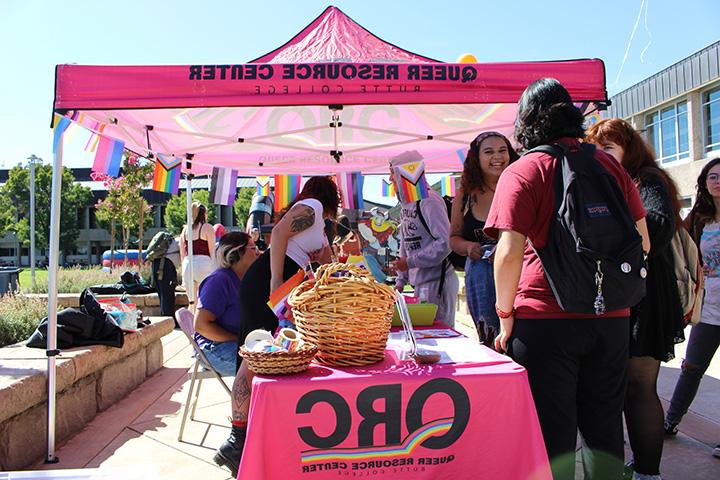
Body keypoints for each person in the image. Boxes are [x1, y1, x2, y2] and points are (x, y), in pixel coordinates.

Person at [484, 78, 650, 480]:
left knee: (552, 436)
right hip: (611, 316)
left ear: (525, 121)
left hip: (545, 320)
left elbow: (507, 255)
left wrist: (505, 315)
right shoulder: (608, 164)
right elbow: (642, 241)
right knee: (605, 430)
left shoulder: (524, 169)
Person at [216, 177, 339, 477]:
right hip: (270, 284)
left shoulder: (317, 223)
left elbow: (326, 261)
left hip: (281, 283)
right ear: (329, 196)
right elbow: (280, 232)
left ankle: (243, 437)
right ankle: (235, 442)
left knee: (263, 356)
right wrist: (275, 281)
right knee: (253, 357)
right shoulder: (312, 206)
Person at [586, 118, 685, 480]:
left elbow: (657, 226)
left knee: (640, 386)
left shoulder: (646, 178)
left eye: (608, 148)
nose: (601, 156)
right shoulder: (607, 183)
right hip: (622, 295)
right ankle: (640, 465)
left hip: (648, 295)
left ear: (630, 149)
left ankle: (648, 472)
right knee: (626, 387)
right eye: (596, 150)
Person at [664, 157, 720, 460]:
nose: (717, 181)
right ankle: (671, 421)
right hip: (709, 308)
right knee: (692, 368)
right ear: (704, 183)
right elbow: (680, 246)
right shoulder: (698, 217)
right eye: (712, 176)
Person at [450, 131, 518, 344]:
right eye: (489, 152)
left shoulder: (521, 185)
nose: (497, 157)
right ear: (476, 159)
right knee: (492, 339)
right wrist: (470, 247)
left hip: (517, 273)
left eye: (502, 150)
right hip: (482, 276)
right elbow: (453, 238)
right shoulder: (465, 194)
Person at [390, 151, 459, 327]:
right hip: (421, 284)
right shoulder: (407, 204)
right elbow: (406, 243)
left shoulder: (430, 201)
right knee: (424, 334)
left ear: (404, 173)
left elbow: (445, 243)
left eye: (392, 172)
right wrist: (400, 281)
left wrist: (410, 262)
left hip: (438, 283)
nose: (390, 179)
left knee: (438, 334)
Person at [193, 232, 259, 376]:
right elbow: (201, 325)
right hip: (214, 348)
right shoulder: (219, 281)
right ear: (237, 253)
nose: (258, 252)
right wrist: (237, 338)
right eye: (253, 248)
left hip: (236, 344)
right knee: (263, 368)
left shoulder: (246, 279)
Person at [179, 202, 216, 310]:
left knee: (191, 301)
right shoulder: (207, 228)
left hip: (187, 263)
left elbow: (182, 251)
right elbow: (211, 250)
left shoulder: (185, 230)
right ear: (204, 214)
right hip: (203, 264)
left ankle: (190, 322)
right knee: (204, 299)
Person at [150, 233, 180, 317]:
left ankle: (164, 316)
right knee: (168, 294)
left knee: (162, 294)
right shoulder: (177, 241)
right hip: (166, 266)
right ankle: (169, 318)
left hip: (156, 264)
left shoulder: (167, 243)